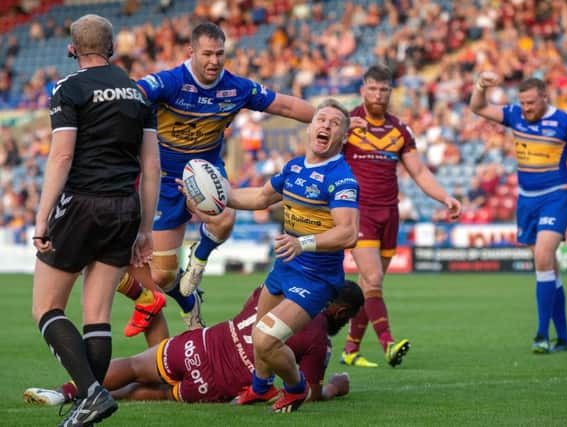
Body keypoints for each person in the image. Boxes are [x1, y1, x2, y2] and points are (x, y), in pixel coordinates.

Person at [134, 21, 315, 331]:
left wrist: (334, 119)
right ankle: (189, 301)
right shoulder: (169, 83)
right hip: (163, 180)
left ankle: (199, 259)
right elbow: (132, 95)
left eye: (220, 54)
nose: (214, 61)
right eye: (207, 54)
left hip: (205, 171)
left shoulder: (236, 88)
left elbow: (284, 105)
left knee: (225, 218)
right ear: (190, 52)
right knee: (162, 276)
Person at [186, 99, 359, 413]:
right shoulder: (294, 167)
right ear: (311, 127)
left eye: (335, 123)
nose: (326, 126)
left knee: (266, 340)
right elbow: (261, 196)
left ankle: (296, 388)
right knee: (257, 331)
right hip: (286, 266)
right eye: (322, 119)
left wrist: (302, 243)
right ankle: (261, 388)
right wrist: (211, 197)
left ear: (343, 137)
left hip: (318, 278)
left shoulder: (341, 178)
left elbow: (349, 233)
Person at [31, 14, 159, 427]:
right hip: (125, 208)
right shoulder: (139, 93)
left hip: (83, 203)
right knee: (97, 314)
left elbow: (62, 156)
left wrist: (41, 217)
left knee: (46, 307)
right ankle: (90, 403)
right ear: (112, 49)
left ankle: (91, 394)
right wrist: (145, 229)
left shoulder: (68, 88)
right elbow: (152, 166)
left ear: (72, 49)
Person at [23, 281, 363, 405]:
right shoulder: (318, 338)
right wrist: (336, 386)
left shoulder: (273, 289)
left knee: (133, 366)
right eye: (346, 318)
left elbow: (251, 302)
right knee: (153, 392)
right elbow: (310, 392)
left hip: (202, 344)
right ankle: (104, 399)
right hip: (219, 381)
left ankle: (66, 392)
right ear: (341, 310)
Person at [340, 64, 462, 368]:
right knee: (374, 278)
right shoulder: (347, 124)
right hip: (359, 213)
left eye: (383, 89)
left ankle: (350, 351)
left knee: (370, 286)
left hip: (389, 214)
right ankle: (388, 345)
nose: (378, 94)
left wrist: (445, 197)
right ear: (363, 90)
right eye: (372, 88)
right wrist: (340, 134)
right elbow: (321, 153)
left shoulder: (399, 129)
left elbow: (418, 171)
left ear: (391, 92)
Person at [470, 72, 567, 353]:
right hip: (526, 200)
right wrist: (480, 86)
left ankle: (541, 335)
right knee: (550, 269)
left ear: (544, 98)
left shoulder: (565, 122)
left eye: (531, 103)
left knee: (542, 257)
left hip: (557, 196)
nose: (526, 109)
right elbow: (477, 107)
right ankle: (564, 337)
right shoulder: (514, 115)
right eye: (522, 103)